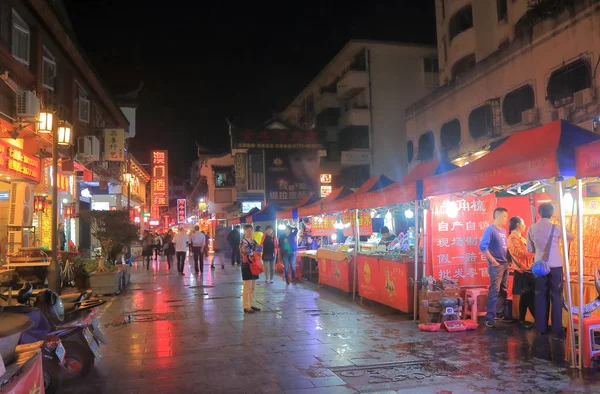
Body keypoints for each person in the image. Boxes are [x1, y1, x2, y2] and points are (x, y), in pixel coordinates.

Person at [527, 203, 572, 336]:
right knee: (556, 296)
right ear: (552, 213)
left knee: (540, 295)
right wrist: (567, 229)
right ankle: (557, 328)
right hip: (556, 265)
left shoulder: (531, 228)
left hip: (540, 266)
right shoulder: (556, 227)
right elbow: (571, 237)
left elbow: (529, 249)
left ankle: (541, 327)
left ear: (539, 213)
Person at [479, 207, 509, 328]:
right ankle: (490, 317)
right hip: (497, 265)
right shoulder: (490, 229)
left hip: (505, 264)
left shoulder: (503, 231)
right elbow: (482, 246)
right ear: (497, 216)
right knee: (494, 290)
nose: (506, 219)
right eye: (504, 216)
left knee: (503, 290)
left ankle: (500, 313)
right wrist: (493, 261)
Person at [507, 216, 536, 329]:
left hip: (527, 269)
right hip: (522, 271)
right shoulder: (513, 238)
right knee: (528, 296)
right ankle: (531, 319)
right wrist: (533, 251)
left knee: (526, 296)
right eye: (523, 224)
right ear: (518, 225)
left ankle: (522, 319)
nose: (524, 226)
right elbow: (520, 253)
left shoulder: (520, 238)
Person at [240, 225, 260, 313]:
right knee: (247, 286)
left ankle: (252, 304)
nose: (249, 232)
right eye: (247, 230)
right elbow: (247, 252)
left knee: (253, 287)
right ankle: (246, 306)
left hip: (254, 265)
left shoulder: (253, 241)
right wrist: (255, 252)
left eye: (251, 230)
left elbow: (259, 249)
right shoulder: (242, 242)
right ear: (244, 231)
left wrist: (256, 252)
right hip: (246, 266)